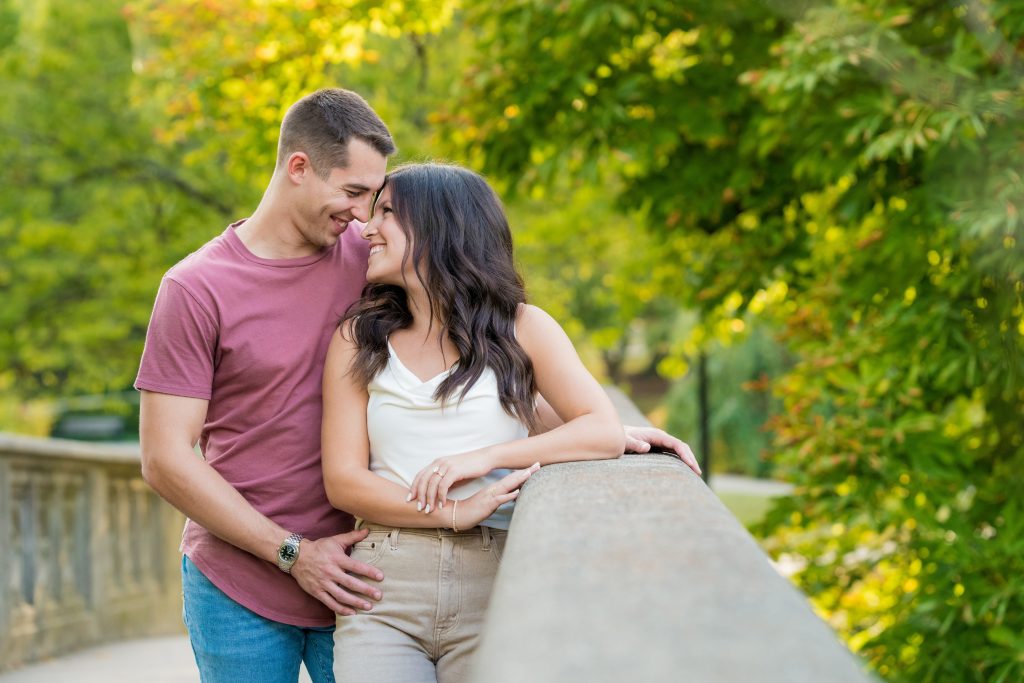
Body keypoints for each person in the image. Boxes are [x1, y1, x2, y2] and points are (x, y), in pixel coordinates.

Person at [136, 88, 698, 683]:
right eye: (353, 193)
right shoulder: (196, 288)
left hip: (368, 571)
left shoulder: (378, 259)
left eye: (374, 201)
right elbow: (166, 458)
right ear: (298, 168)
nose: (361, 217)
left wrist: (599, 432)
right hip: (244, 575)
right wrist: (291, 552)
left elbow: (471, 373)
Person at [321, 162, 669, 682]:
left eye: (387, 212)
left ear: (442, 226)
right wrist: (453, 513)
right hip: (383, 587)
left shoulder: (523, 328)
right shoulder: (358, 338)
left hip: (499, 584)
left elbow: (597, 427)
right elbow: (344, 483)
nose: (367, 228)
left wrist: (486, 457)